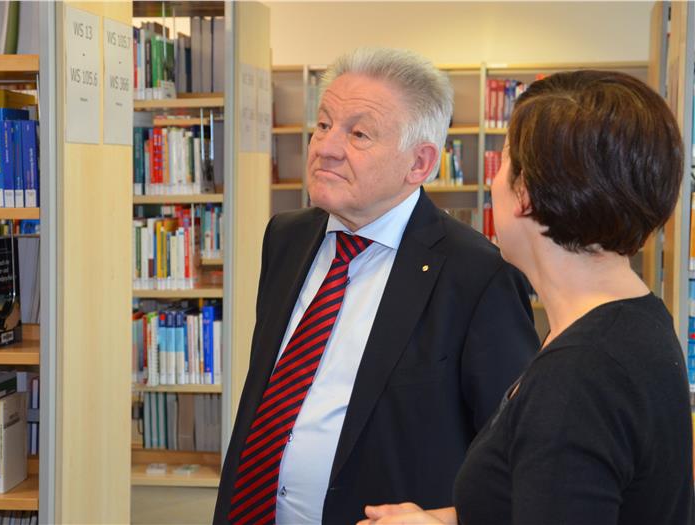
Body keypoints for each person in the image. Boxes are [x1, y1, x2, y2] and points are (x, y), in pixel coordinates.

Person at [213, 47, 539, 525]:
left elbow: (516, 456)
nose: (325, 147)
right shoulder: (285, 237)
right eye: (323, 125)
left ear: (419, 164)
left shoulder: (479, 276)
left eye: (358, 134)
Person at [362, 70, 695, 525]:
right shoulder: (634, 319)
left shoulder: (579, 376)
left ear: (526, 194)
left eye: (504, 164)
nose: (495, 183)